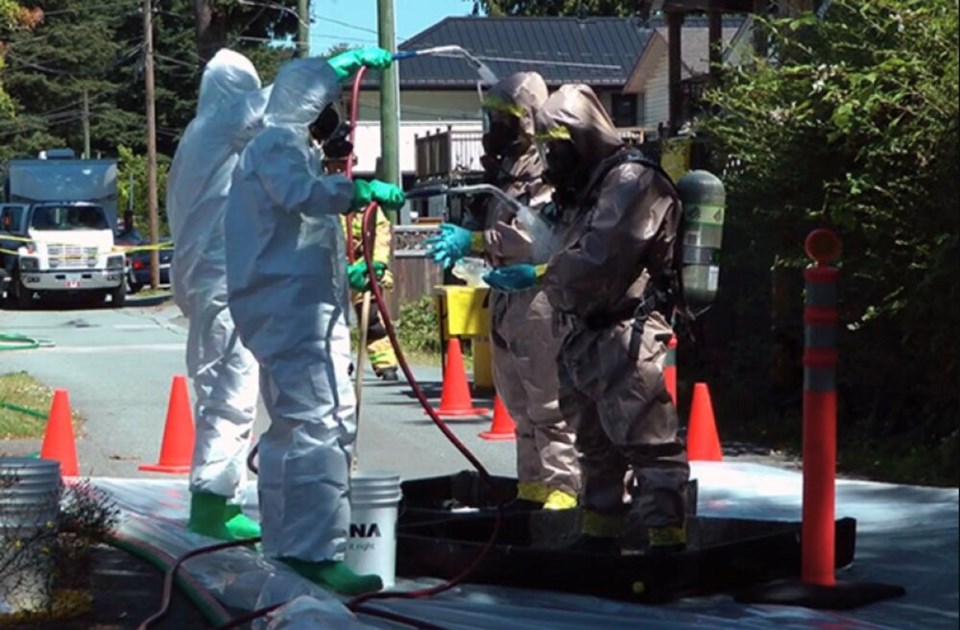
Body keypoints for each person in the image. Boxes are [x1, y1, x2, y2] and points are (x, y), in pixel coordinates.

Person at [224, 48, 405, 595]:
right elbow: (302, 198)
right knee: (325, 422)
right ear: (308, 104)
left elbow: (290, 229)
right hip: (293, 313)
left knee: (291, 427)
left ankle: (286, 543)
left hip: (287, 308)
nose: (335, 120)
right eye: (327, 103)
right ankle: (317, 551)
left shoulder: (278, 147)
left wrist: (343, 269)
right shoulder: (279, 144)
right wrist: (358, 191)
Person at [484, 84, 690, 552]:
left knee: (647, 440)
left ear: (584, 136)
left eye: (558, 144)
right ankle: (600, 529)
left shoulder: (632, 182)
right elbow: (554, 240)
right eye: (545, 145)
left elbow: (602, 258)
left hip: (626, 331)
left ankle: (665, 537)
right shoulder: (586, 185)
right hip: (583, 332)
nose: (551, 157)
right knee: (592, 442)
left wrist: (538, 273)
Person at [426, 72, 581, 510]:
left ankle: (564, 490)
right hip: (506, 299)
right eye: (490, 118)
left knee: (548, 402)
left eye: (503, 118)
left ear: (528, 120)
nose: (493, 128)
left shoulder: (549, 167)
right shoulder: (507, 173)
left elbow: (534, 237)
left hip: (540, 299)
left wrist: (474, 241)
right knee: (518, 402)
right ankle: (532, 488)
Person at [166, 49, 269, 542]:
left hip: (212, 281)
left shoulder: (201, 136)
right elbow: (278, 104)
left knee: (224, 390)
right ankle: (211, 504)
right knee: (231, 392)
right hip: (222, 282)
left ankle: (224, 499)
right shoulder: (222, 124)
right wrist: (331, 71)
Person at [308, 116, 400, 382]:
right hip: (329, 272)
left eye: (344, 165)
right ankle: (339, 361)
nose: (339, 170)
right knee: (332, 320)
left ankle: (385, 363)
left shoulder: (362, 196)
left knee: (370, 318)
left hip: (362, 267)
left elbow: (381, 230)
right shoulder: (320, 196)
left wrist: (377, 264)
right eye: (334, 165)